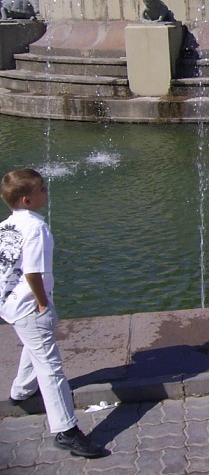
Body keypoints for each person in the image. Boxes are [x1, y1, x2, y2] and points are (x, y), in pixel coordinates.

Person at [0, 169, 104, 458]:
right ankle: (66, 430)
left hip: (10, 303)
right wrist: (43, 302)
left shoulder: (6, 226)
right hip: (30, 304)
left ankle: (21, 391)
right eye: (42, 189)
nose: (46, 192)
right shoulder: (36, 228)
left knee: (35, 344)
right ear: (28, 200)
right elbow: (33, 273)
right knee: (51, 368)